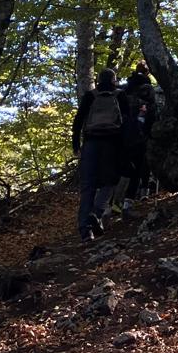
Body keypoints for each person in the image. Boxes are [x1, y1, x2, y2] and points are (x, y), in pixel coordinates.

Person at [71, 67, 128, 238]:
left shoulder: (90, 95)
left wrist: (76, 145)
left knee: (88, 186)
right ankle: (95, 214)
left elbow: (78, 120)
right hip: (112, 144)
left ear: (98, 80)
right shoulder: (120, 95)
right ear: (113, 80)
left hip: (90, 144)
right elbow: (127, 122)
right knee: (109, 182)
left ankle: (84, 230)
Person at [109, 63, 157, 215]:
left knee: (119, 169)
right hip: (139, 133)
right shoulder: (147, 89)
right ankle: (127, 205)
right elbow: (152, 110)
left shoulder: (123, 88)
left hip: (119, 134)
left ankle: (111, 204)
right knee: (137, 169)